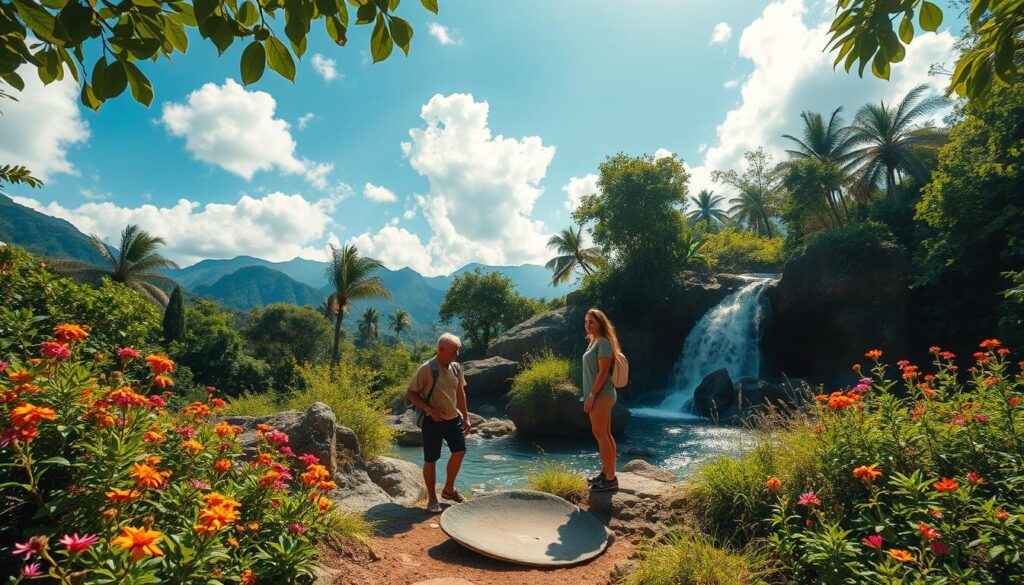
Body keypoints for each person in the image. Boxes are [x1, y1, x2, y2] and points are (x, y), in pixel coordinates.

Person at [406, 332, 471, 513]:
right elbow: (411, 393)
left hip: (453, 419)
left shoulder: (457, 367)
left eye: (458, 350)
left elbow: (460, 393)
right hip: (432, 421)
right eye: (454, 351)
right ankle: (432, 499)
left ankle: (448, 490)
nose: (457, 354)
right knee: (431, 459)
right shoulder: (427, 369)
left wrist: (465, 417)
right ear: (441, 350)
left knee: (460, 451)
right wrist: (430, 410)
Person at [582, 308, 621, 492]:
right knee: (605, 434)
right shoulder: (594, 342)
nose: (587, 325)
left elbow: (604, 372)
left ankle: (610, 479)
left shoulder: (603, 343)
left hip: (601, 395)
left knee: (600, 434)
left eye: (592, 322)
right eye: (586, 322)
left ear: (600, 323)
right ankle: (607, 473)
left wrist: (591, 395)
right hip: (600, 395)